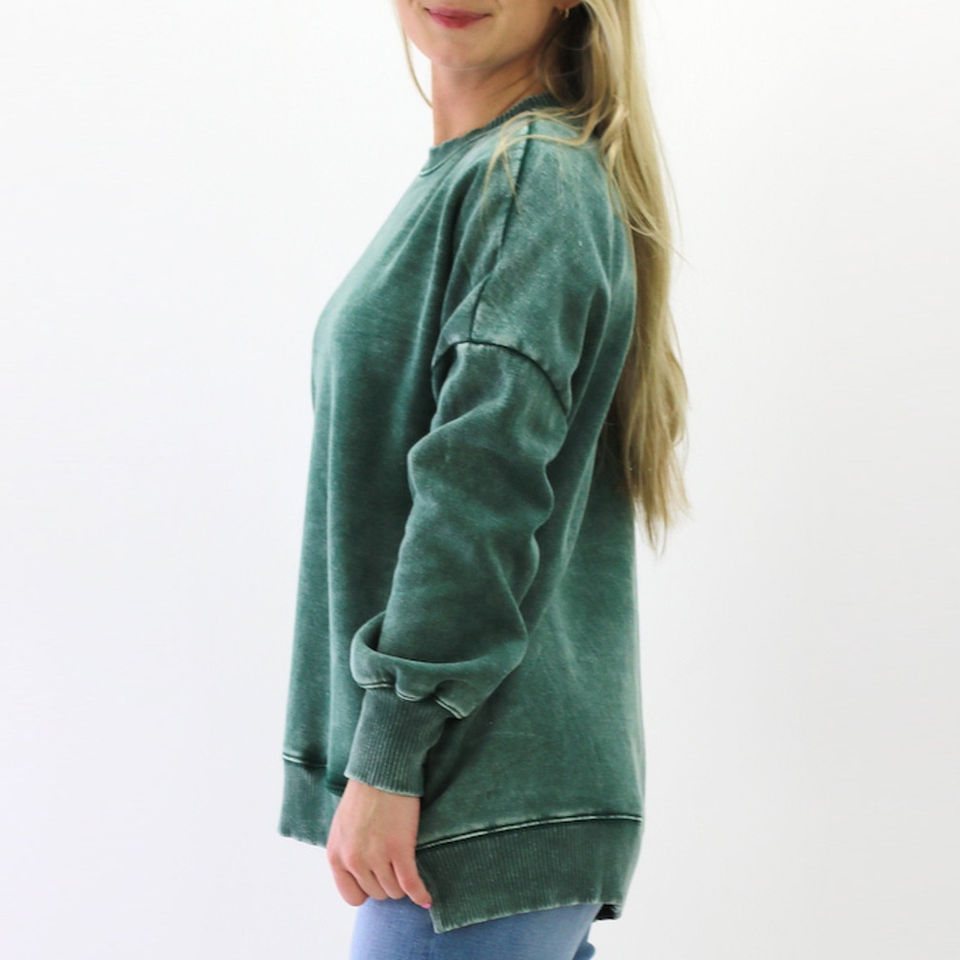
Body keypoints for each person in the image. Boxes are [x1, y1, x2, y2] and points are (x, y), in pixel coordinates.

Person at [277, 1, 689, 957]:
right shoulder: (486, 173)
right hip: (490, 796)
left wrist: (391, 751)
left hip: (471, 803)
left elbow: (479, 492)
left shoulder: (528, 175)